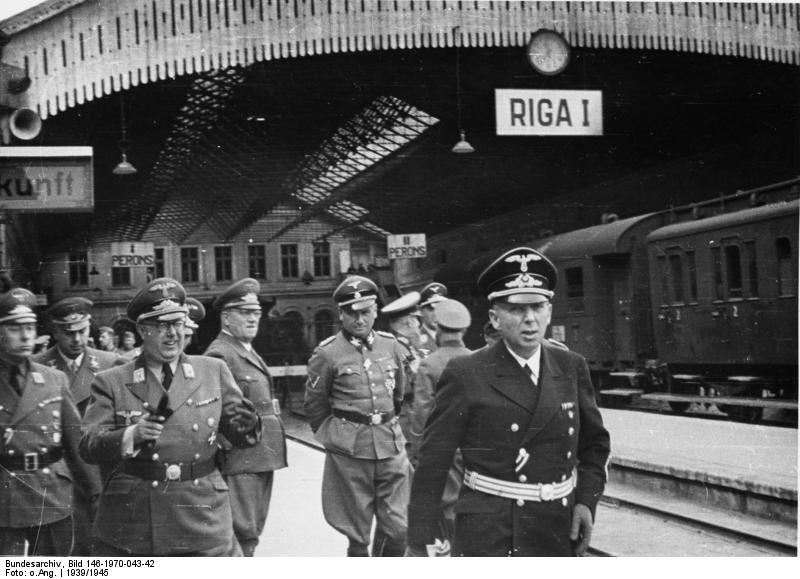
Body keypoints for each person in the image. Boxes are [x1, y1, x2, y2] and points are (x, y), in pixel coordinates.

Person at [406, 247, 611, 557]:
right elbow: (434, 458)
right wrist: (420, 537)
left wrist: (586, 502)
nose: (530, 319)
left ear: (549, 312)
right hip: (491, 533)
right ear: (495, 318)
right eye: (516, 309)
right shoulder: (467, 372)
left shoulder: (571, 366)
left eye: (537, 307)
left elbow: (595, 445)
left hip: (557, 526)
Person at [80, 277, 261, 556]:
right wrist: (132, 435)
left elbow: (242, 433)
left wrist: (248, 425)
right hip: (137, 519)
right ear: (142, 329)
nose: (173, 334)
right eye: (161, 325)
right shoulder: (111, 380)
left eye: (177, 323)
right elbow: (88, 446)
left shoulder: (212, 370)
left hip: (203, 513)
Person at [304, 275, 411, 557]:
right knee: (357, 534)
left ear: (375, 311)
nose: (360, 320)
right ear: (341, 314)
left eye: (365, 312)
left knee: (398, 528)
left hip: (389, 445)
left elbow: (399, 394)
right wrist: (335, 438)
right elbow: (315, 405)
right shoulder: (327, 353)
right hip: (350, 451)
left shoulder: (391, 346)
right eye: (352, 313)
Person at [0, 288, 100, 556]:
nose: (25, 336)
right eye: (15, 328)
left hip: (51, 494)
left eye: (30, 327)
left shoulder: (54, 379)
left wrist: (95, 494)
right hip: (6, 501)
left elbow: (76, 442)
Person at [32, 297, 125, 555]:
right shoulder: (38, 367)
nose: (76, 339)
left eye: (82, 331)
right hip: (61, 476)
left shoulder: (110, 363)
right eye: (68, 333)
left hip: (103, 472)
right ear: (55, 332)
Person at [204, 278, 288, 557]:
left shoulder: (242, 349)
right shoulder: (221, 353)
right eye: (245, 313)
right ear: (226, 318)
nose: (253, 319)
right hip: (241, 458)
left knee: (250, 530)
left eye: (256, 313)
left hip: (259, 455)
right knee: (243, 532)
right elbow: (214, 411)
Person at [408, 298, 472, 545]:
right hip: (474, 449)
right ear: (463, 330)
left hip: (442, 450)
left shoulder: (430, 364)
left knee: (447, 506)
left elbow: (422, 414)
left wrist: (417, 452)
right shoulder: (476, 359)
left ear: (438, 329)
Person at [380, 291, 424, 442]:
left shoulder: (401, 346)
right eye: (417, 319)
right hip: (405, 419)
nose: (419, 325)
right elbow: (404, 389)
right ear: (410, 321)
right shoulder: (398, 349)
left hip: (407, 416)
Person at [417, 282, 447, 355]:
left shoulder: (454, 334)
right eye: (431, 309)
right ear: (420, 311)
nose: (436, 314)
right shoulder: (416, 341)